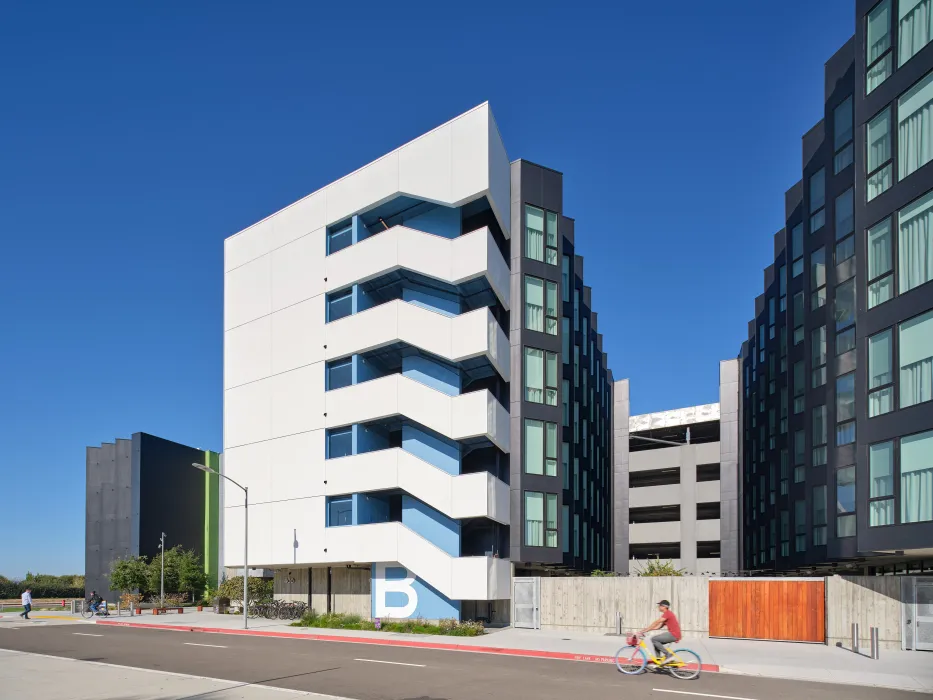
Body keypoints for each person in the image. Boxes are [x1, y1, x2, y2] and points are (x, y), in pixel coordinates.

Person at [638, 599, 681, 664]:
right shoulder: (667, 614)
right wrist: (646, 630)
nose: (658, 607)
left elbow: (657, 622)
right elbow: (659, 626)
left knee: (654, 639)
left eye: (660, 605)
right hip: (674, 634)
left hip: (673, 634)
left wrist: (646, 630)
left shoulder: (667, 614)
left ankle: (668, 656)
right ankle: (658, 661)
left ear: (664, 607)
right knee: (656, 643)